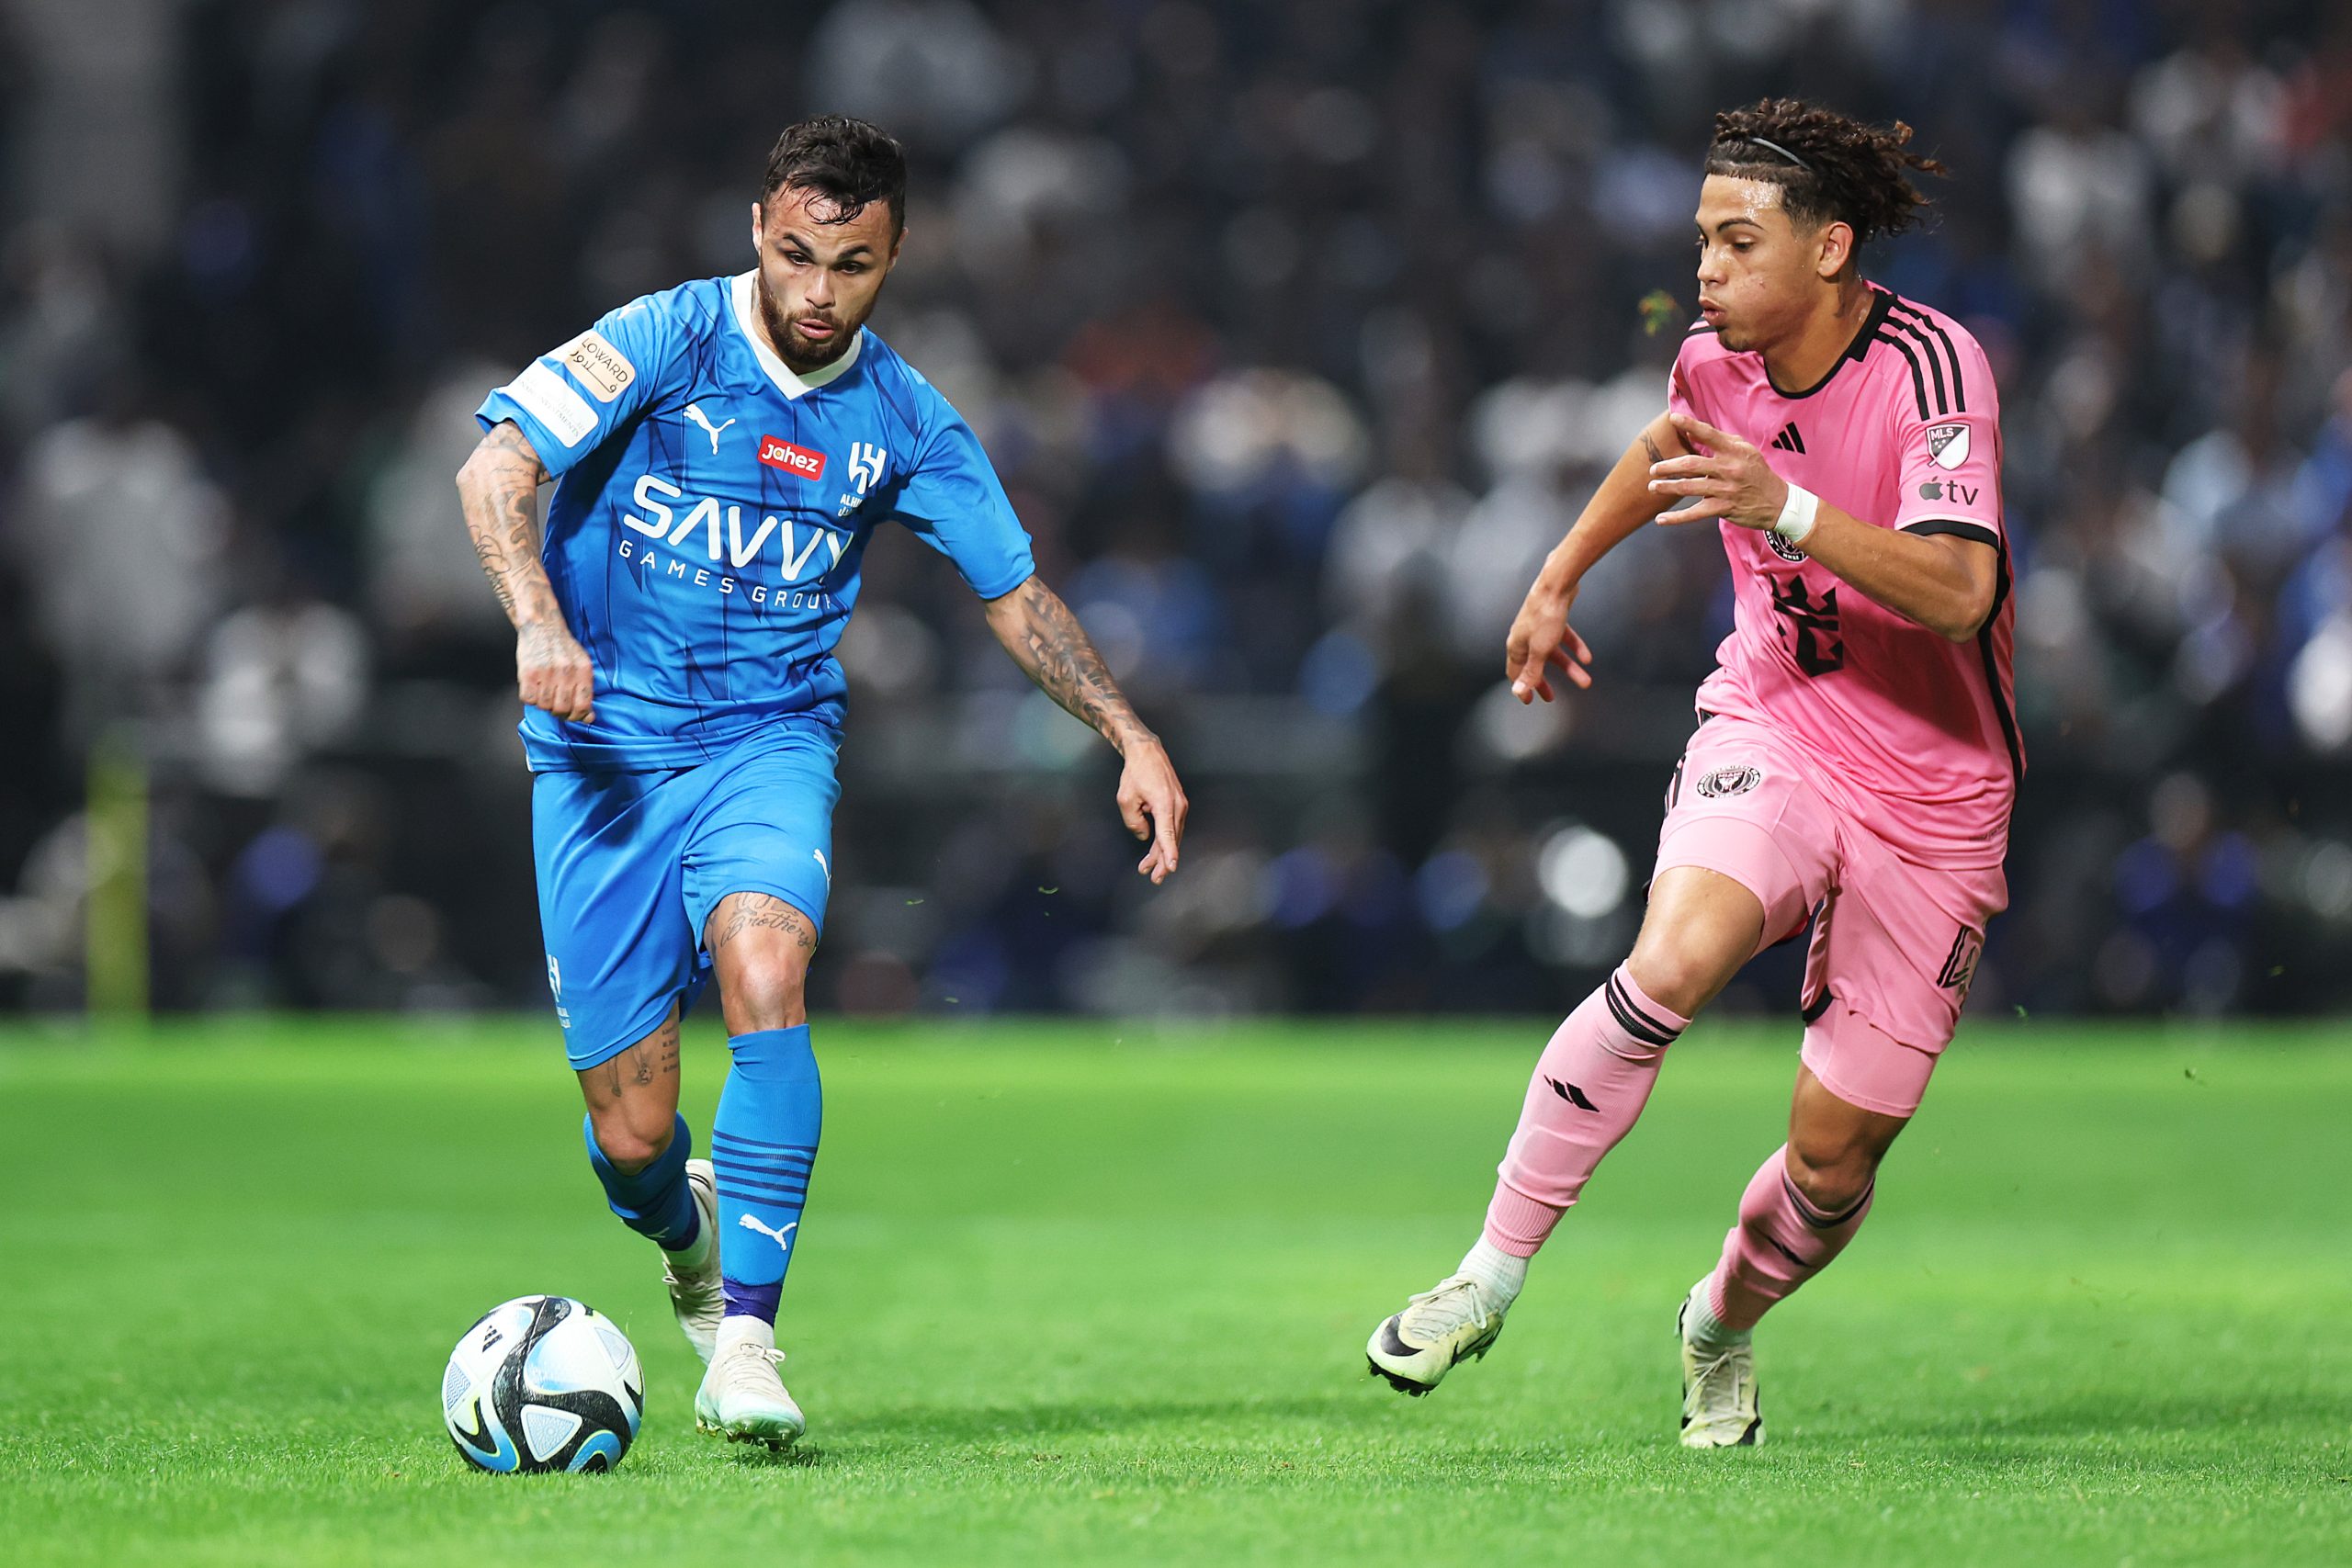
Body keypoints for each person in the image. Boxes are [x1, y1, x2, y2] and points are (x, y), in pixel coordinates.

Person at [454, 116, 1187, 1451]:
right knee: (633, 1135)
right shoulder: (667, 339)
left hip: (766, 742)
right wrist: (537, 620)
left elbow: (1014, 596)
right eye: (794, 255)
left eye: (849, 265)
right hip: (605, 758)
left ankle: (747, 1336)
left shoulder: (905, 418)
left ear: (894, 256)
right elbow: (495, 462)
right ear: (757, 232)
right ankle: (685, 1243)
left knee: (769, 970)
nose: (814, 291)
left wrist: (1127, 734)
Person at [1364, 98, 2014, 1448]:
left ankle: (1719, 1323)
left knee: (1835, 1163)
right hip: (1775, 722)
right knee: (1675, 957)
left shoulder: (1934, 369)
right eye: (1699, 242)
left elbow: (1959, 591)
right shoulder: (1714, 363)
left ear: (1830, 249)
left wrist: (1788, 510)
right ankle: (1485, 1276)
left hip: (1937, 793)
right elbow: (1667, 451)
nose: (1704, 271)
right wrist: (1558, 573)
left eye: (1736, 241)